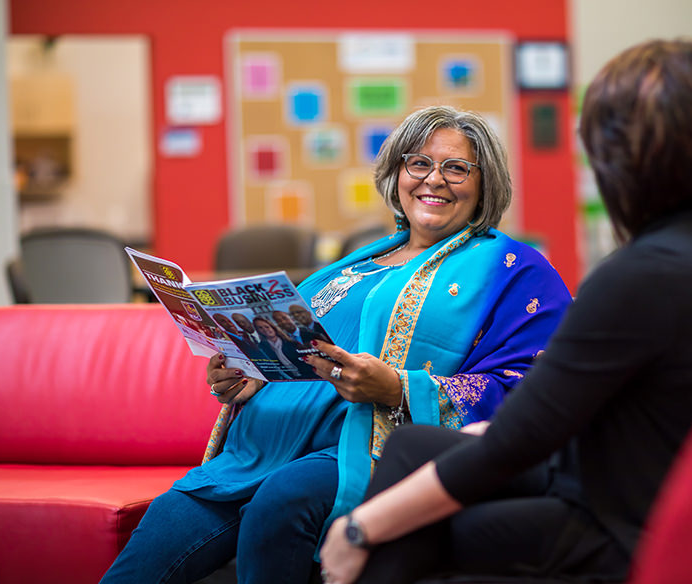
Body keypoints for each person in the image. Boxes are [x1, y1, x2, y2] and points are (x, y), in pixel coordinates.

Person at [319, 39, 692, 584]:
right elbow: (540, 419)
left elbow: (519, 439)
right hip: (641, 489)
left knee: (405, 520)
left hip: (626, 524)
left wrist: (359, 529)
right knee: (415, 447)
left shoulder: (641, 276)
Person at [99, 105, 571, 584]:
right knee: (167, 519)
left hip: (363, 445)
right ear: (397, 174)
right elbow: (297, 346)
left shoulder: (512, 268)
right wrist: (247, 374)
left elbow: (532, 391)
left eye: (455, 168)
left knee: (282, 500)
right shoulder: (356, 264)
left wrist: (397, 388)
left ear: (484, 182)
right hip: (261, 445)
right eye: (419, 163)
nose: (434, 180)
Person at [253, 314, 315, 379]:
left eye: (267, 327)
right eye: (260, 328)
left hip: (308, 375)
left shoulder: (291, 343)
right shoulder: (262, 348)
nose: (265, 330)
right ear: (258, 331)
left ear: (272, 327)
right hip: (287, 378)